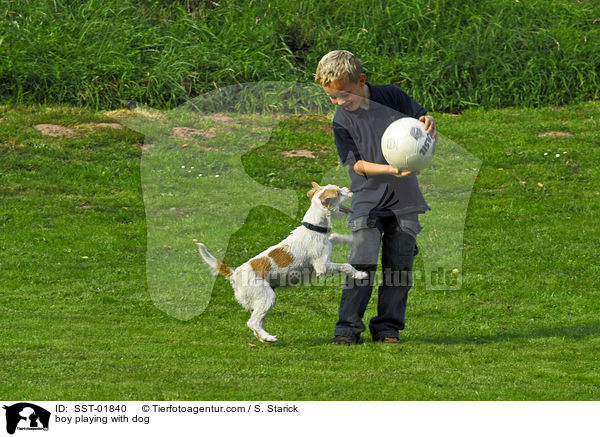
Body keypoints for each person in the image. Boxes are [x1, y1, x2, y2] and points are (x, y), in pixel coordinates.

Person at [314, 50, 437, 345]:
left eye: (345, 94)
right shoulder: (341, 121)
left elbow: (420, 125)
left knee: (399, 268)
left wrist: (428, 121)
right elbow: (356, 165)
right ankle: (347, 329)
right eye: (332, 98)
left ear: (362, 80)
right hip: (367, 201)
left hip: (406, 200)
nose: (340, 102)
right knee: (361, 264)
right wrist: (390, 169)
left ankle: (387, 328)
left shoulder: (392, 97)